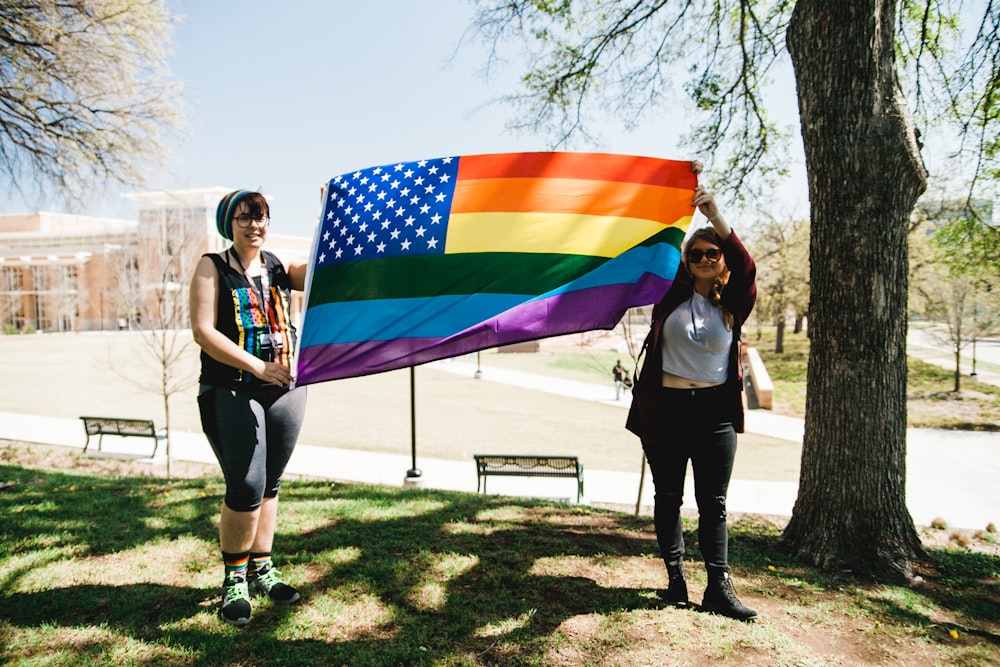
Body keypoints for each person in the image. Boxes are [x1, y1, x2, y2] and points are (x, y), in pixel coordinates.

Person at [625, 183, 758, 621]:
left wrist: (714, 213)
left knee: (713, 503)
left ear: (721, 262)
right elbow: (649, 257)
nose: (703, 258)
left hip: (715, 416)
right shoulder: (670, 295)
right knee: (668, 496)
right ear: (686, 262)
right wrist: (675, 202)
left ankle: (718, 588)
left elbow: (746, 264)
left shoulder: (735, 301)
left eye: (711, 254)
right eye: (695, 253)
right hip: (667, 410)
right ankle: (676, 579)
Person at [190, 190, 308, 626]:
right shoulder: (212, 266)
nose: (254, 226)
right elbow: (204, 332)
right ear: (229, 224)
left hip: (286, 391)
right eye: (244, 219)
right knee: (245, 484)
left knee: (270, 484)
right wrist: (258, 365)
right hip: (230, 390)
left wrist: (331, 218)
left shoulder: (277, 266)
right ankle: (234, 581)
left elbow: (316, 274)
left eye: (260, 219)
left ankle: (262, 570)